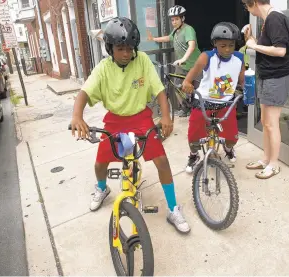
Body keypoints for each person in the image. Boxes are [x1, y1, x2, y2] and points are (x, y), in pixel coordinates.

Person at [70, 17, 190, 234]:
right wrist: (77, 116)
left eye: (130, 49)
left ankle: (173, 208)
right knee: (100, 164)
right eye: (120, 48)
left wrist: (165, 117)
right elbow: (84, 93)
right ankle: (101, 188)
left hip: (141, 117)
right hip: (115, 120)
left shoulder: (142, 60)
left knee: (162, 161)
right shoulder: (103, 68)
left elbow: (159, 91)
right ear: (110, 48)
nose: (126, 53)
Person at [181, 22, 245, 173]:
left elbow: (242, 81)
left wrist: (248, 87)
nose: (228, 49)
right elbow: (191, 75)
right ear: (215, 43)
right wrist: (187, 83)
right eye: (223, 45)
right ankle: (194, 155)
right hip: (204, 103)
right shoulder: (207, 57)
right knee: (194, 134)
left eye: (231, 45)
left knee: (232, 137)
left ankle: (228, 149)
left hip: (226, 105)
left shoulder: (239, 58)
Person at [242, 0, 289, 179]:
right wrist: (251, 40)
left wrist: (254, 46)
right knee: (265, 122)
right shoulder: (268, 21)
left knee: (271, 123)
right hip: (267, 76)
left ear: (254, 2)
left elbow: (280, 50)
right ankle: (265, 159)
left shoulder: (275, 18)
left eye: (246, 5)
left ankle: (274, 164)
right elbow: (268, 49)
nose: (247, 9)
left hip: (277, 78)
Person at [147, 5, 201, 117]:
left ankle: (199, 111)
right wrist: (154, 39)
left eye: (177, 19)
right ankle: (185, 108)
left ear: (183, 19)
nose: (174, 22)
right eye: (172, 20)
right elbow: (168, 38)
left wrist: (183, 59)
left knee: (198, 89)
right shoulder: (176, 31)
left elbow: (192, 45)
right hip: (182, 66)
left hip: (195, 65)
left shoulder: (188, 29)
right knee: (177, 87)